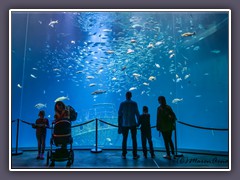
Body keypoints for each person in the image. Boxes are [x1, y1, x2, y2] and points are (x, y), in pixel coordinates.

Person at [118, 91, 140, 159]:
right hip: (133, 123)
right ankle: (135, 155)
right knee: (134, 139)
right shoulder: (134, 103)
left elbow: (119, 115)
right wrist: (138, 122)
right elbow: (137, 114)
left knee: (124, 139)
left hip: (124, 124)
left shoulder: (122, 103)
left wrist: (119, 125)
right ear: (131, 96)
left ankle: (124, 154)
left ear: (125, 96)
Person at [156, 96, 177, 160]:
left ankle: (168, 155)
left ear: (160, 100)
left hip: (163, 127)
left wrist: (158, 126)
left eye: (158, 100)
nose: (158, 101)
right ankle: (173, 153)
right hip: (170, 126)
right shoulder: (168, 107)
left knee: (166, 141)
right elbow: (174, 115)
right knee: (170, 140)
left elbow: (158, 118)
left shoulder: (159, 108)